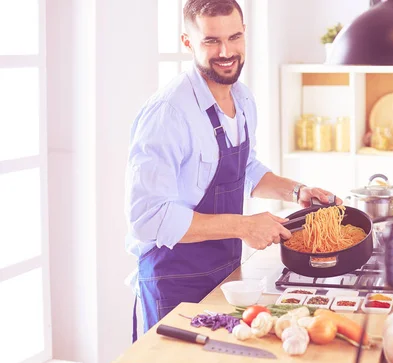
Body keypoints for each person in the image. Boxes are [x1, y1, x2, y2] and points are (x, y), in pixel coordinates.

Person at [125, 0, 340, 341]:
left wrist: (296, 191)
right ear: (187, 42)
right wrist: (243, 226)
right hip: (173, 282)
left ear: (244, 35)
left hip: (224, 277)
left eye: (234, 37)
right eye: (211, 41)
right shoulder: (169, 112)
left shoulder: (242, 99)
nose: (226, 51)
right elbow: (148, 217)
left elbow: (246, 168)